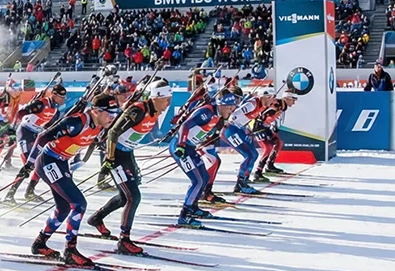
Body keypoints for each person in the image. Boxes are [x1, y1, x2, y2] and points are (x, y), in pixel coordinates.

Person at [28, 94, 120, 265]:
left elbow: (90, 142)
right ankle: (70, 250)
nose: (113, 118)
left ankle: (40, 243)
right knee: (79, 204)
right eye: (109, 113)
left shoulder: (100, 125)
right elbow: (43, 137)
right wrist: (29, 163)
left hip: (61, 162)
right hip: (49, 160)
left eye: (115, 114)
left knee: (63, 207)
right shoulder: (76, 122)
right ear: (96, 111)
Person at [85, 80, 172, 254]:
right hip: (116, 154)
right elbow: (113, 132)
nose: (168, 103)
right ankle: (124, 240)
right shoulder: (138, 110)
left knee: (125, 197)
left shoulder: (153, 110)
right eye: (166, 99)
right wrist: (109, 159)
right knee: (133, 197)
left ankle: (97, 218)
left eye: (170, 99)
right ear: (155, 98)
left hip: (127, 154)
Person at [171, 91, 235, 227]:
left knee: (204, 178)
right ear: (221, 105)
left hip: (190, 147)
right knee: (197, 180)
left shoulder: (218, 116)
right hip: (180, 148)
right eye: (229, 107)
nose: (231, 110)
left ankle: (193, 206)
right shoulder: (207, 112)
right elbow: (185, 125)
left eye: (232, 107)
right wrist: (181, 146)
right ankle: (185, 215)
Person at [4, 84, 67, 203]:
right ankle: (10, 194)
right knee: (29, 164)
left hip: (36, 136)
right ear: (53, 95)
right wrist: (12, 129)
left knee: (38, 164)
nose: (63, 99)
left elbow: (49, 126)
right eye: (60, 97)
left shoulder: (55, 111)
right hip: (25, 132)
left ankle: (30, 191)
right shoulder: (42, 103)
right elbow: (21, 112)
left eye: (64, 97)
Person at [222, 88, 275, 195]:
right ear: (264, 97)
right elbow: (235, 113)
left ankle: (242, 182)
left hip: (237, 129)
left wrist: (247, 129)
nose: (272, 101)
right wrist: (228, 123)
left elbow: (245, 118)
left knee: (254, 154)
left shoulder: (262, 105)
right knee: (249, 155)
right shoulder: (253, 104)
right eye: (271, 98)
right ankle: (241, 183)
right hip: (231, 130)